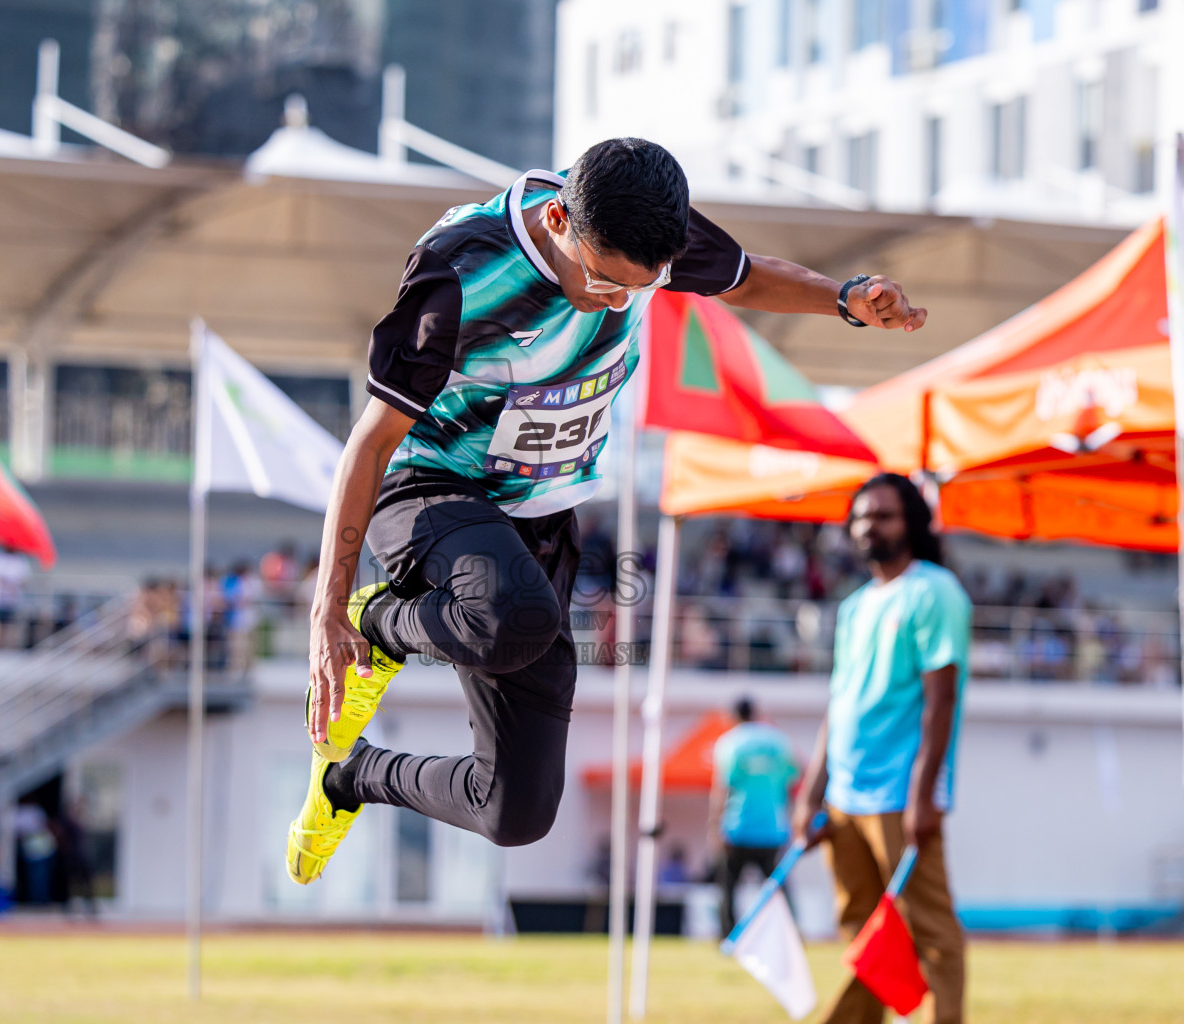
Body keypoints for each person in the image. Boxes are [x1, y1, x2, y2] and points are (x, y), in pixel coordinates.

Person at [287, 137, 929, 885]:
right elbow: (370, 443)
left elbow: (747, 277)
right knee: (512, 617)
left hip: (543, 516)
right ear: (557, 217)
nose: (617, 301)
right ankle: (378, 621)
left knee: (515, 811)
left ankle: (349, 778)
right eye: (601, 281)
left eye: (639, 287)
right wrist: (327, 609)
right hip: (433, 488)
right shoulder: (459, 272)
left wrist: (845, 298)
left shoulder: (648, 228)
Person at [791, 473, 970, 1024]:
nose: (871, 526)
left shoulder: (934, 591)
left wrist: (923, 795)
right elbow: (838, 707)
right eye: (863, 517)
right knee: (863, 932)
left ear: (912, 522)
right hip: (844, 797)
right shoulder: (854, 606)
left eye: (885, 515)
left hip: (899, 795)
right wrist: (810, 794)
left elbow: (942, 701)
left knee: (930, 933)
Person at [709, 696, 799, 940]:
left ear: (733, 716)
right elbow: (791, 784)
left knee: (728, 889)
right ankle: (791, 934)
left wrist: (715, 826)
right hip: (772, 829)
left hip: (737, 827)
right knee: (778, 888)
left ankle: (729, 938)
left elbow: (723, 789)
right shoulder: (779, 741)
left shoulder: (730, 743)